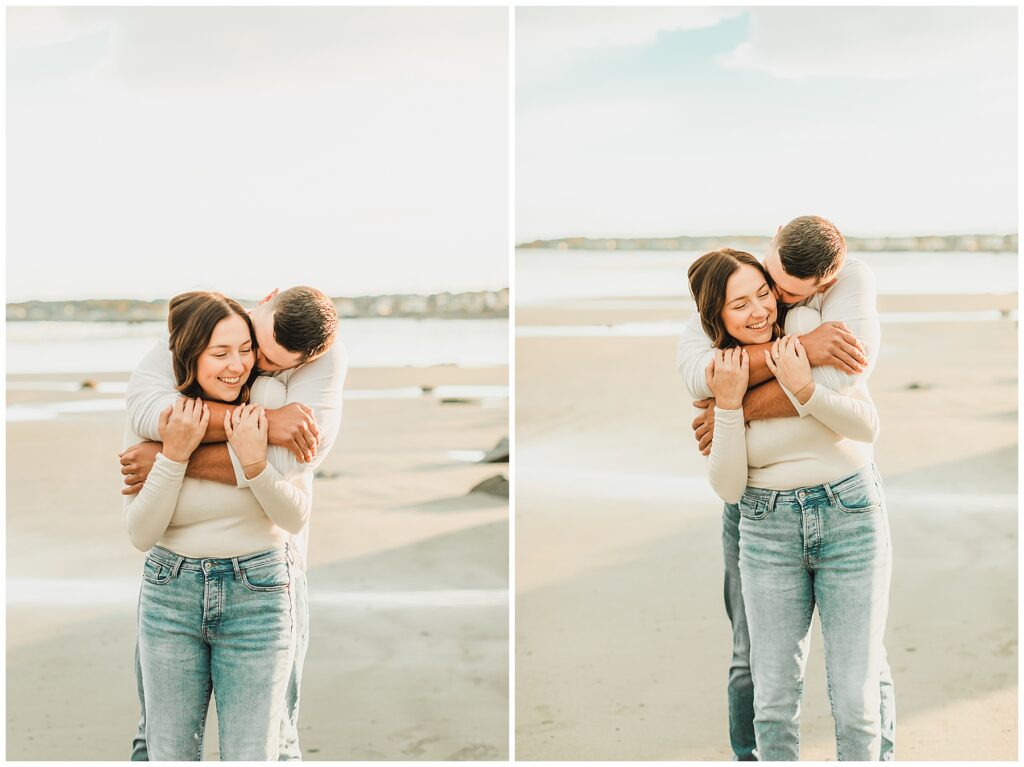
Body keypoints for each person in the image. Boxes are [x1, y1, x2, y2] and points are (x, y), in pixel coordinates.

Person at [676, 217, 894, 760]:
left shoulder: (841, 295)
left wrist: (736, 404)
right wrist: (788, 360)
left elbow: (841, 382)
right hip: (760, 510)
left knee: (861, 676)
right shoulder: (732, 287)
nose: (767, 301)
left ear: (824, 282)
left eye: (777, 292)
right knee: (755, 663)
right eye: (756, 289)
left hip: (847, 502)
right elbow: (699, 376)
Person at [120, 286, 347, 760]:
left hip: (267, 576)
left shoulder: (319, 358)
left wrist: (171, 454)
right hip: (172, 582)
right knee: (159, 744)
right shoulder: (205, 332)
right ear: (265, 300)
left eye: (266, 359)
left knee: (271, 742)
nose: (251, 365)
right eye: (248, 346)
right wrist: (260, 422)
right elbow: (149, 414)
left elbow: (289, 465)